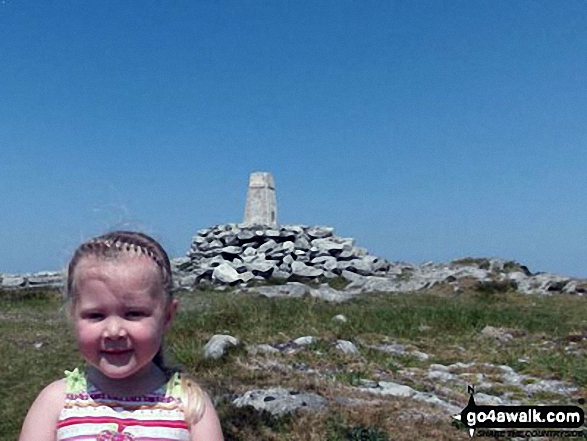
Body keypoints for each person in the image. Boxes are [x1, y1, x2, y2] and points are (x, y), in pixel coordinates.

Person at [19, 231, 224, 441]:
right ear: (74, 315)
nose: (114, 331)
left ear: (167, 316)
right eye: (95, 315)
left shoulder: (191, 405)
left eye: (134, 313)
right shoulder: (56, 402)